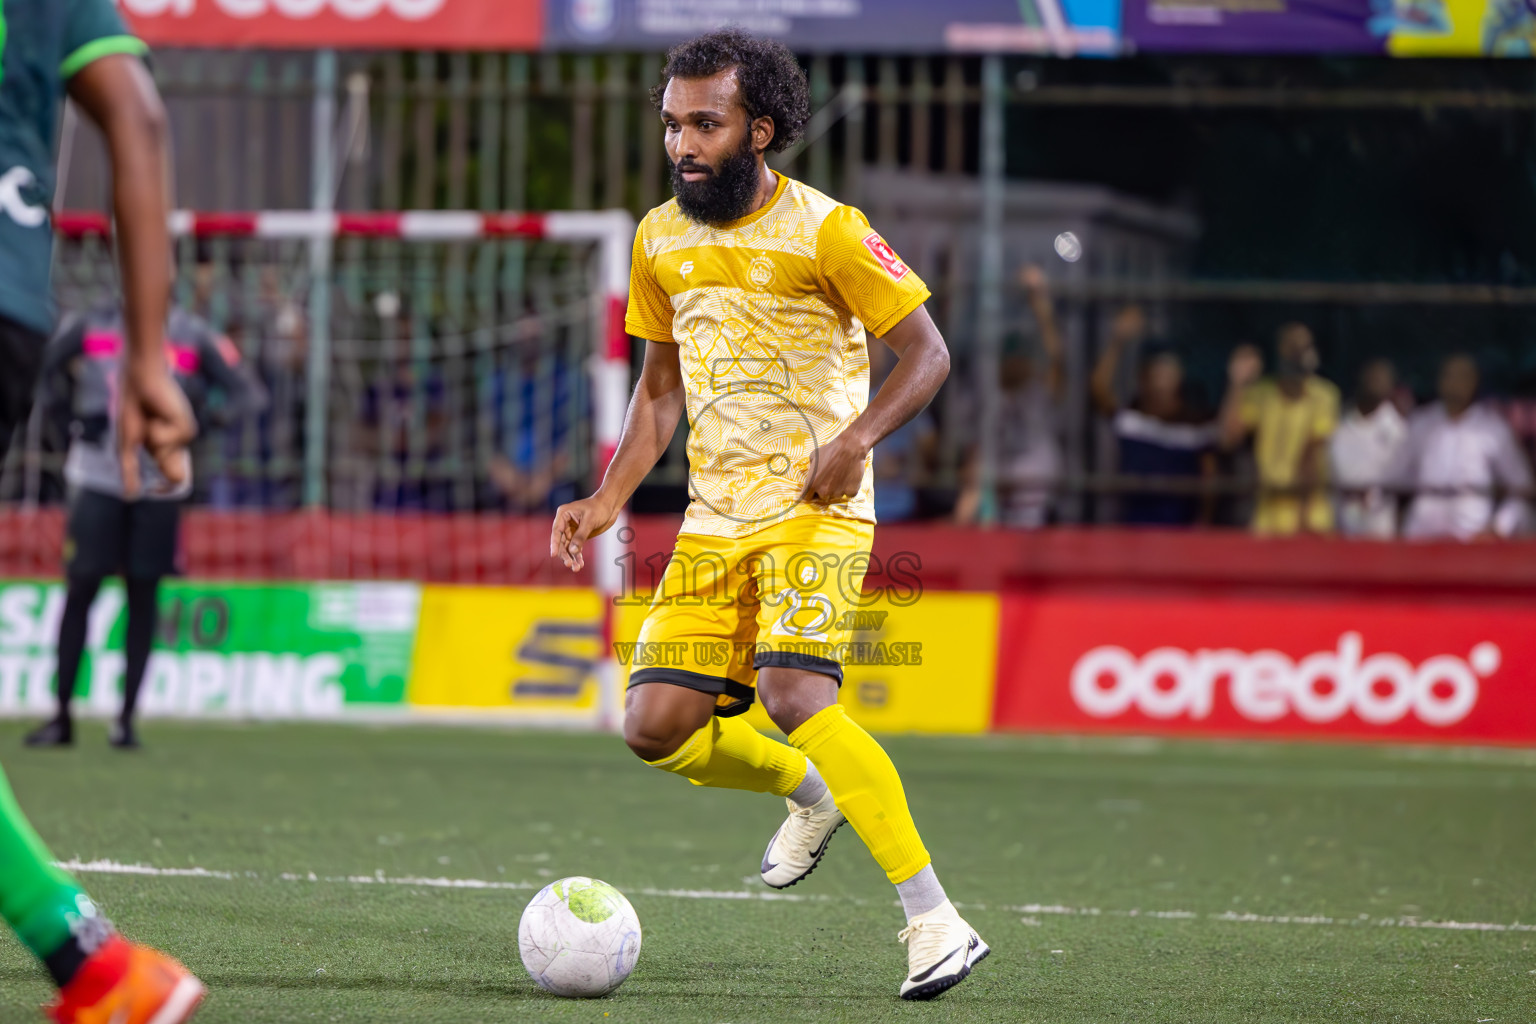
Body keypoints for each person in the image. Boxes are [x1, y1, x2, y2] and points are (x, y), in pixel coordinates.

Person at [549, 30, 987, 1001]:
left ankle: (935, 921)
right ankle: (809, 790)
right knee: (654, 726)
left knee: (794, 693)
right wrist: (605, 498)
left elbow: (928, 354)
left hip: (817, 508)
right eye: (672, 123)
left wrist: (859, 437)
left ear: (763, 127)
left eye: (705, 123)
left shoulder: (830, 230)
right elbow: (658, 394)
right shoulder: (658, 238)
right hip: (715, 520)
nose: (683, 144)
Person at [0, 3, 205, 1021]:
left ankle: (98, 966)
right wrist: (146, 353)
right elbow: (139, 116)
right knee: (85, 594)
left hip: (137, 490)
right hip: (12, 309)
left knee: (134, 595)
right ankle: (93, 965)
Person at [26, 304, 265, 750]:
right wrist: (68, 421)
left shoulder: (191, 332)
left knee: (143, 592)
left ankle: (127, 719)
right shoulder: (91, 323)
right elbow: (41, 367)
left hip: (160, 485)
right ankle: (60, 714)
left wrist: (194, 424)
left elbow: (246, 395)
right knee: (81, 588)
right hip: (97, 477)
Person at [1088, 304, 1218, 526]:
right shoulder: (1133, 421)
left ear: (1179, 377)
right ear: (1143, 379)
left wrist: (1204, 520)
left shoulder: (1195, 426)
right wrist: (1117, 341)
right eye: (1154, 373)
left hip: (1182, 531)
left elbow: (1210, 476)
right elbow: (1098, 392)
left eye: (1167, 373)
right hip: (1136, 528)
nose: (1160, 381)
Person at [954, 264, 1063, 528]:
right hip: (997, 486)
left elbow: (1056, 359)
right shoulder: (989, 388)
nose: (1016, 365)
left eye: (1021, 359)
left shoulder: (1037, 388)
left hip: (1034, 489)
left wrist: (1041, 306)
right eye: (1010, 360)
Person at [1390, 353, 1532, 541]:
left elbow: (1522, 488)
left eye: (1463, 377)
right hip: (1420, 537)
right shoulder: (1420, 424)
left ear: (1475, 382)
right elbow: (1393, 478)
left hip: (1472, 539)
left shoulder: (1493, 429)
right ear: (1440, 380)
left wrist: (1499, 527)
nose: (1454, 383)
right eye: (1449, 376)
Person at [1220, 324, 1340, 536]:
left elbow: (1311, 454)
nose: (1300, 353)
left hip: (1308, 516)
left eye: (1305, 346)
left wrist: (1304, 517)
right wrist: (1237, 382)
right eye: (1292, 347)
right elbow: (1228, 438)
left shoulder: (1323, 394)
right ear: (1279, 352)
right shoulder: (1262, 393)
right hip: (1266, 515)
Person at [1329, 358, 1408, 540]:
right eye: (1371, 377)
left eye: (1381, 379)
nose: (1375, 383)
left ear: (1391, 386)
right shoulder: (1339, 425)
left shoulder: (1398, 430)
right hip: (1340, 522)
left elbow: (1402, 483)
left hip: (1380, 525)